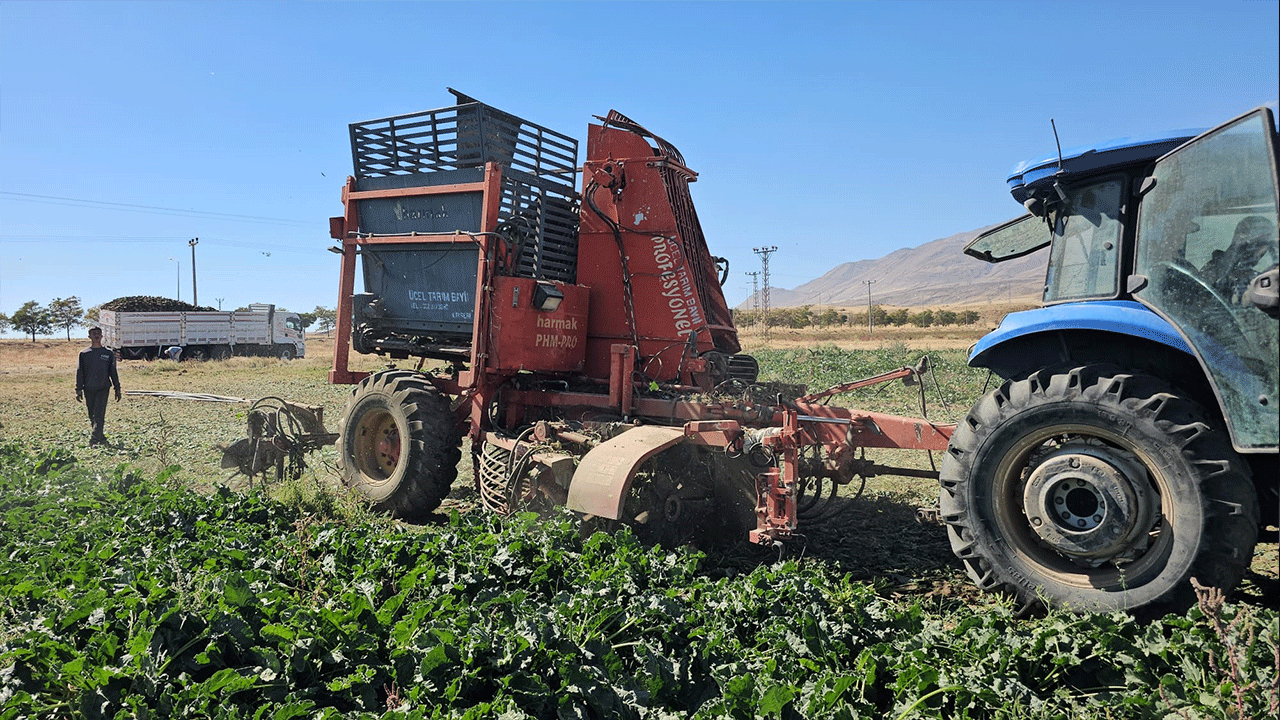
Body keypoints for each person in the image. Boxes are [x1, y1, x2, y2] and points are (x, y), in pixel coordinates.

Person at [76, 326, 121, 446]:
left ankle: (94, 440)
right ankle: (100, 437)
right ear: (89, 336)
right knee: (92, 415)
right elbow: (80, 372)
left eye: (98, 333)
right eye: (93, 333)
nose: (96, 335)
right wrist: (78, 389)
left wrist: (117, 388)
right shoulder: (84, 354)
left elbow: (113, 372)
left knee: (99, 414)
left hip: (103, 388)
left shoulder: (108, 353)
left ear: (101, 336)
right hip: (89, 388)